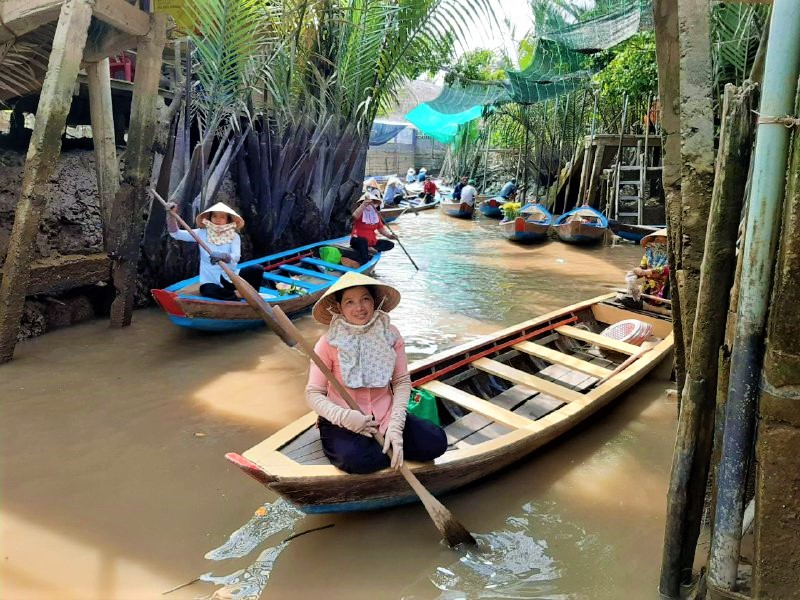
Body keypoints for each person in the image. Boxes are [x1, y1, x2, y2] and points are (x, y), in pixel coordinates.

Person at [305, 272, 448, 474]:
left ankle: (389, 443)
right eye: (349, 302)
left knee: (436, 443)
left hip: (387, 415)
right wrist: (344, 417)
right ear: (339, 308)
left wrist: (396, 426)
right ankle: (380, 448)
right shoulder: (328, 343)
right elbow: (313, 393)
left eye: (365, 299)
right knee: (355, 460)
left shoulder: (390, 334)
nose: (359, 308)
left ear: (374, 301)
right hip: (345, 420)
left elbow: (400, 381)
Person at [165, 201, 265, 300]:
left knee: (257, 269)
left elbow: (236, 257)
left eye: (222, 217)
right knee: (207, 289)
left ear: (227, 220)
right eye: (215, 216)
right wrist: (171, 215)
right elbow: (176, 234)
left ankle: (253, 295)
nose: (217, 220)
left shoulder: (234, 236)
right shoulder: (201, 233)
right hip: (211, 280)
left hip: (231, 278)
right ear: (210, 218)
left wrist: (223, 256)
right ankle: (236, 295)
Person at [620, 228, 670, 308]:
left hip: (666, 288)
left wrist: (647, 272)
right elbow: (642, 268)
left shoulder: (672, 255)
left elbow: (667, 269)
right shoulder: (649, 253)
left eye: (662, 240)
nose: (659, 243)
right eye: (657, 240)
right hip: (648, 286)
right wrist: (635, 273)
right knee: (624, 298)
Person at [350, 190, 396, 265]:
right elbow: (354, 216)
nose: (371, 204)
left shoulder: (375, 215)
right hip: (357, 240)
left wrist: (390, 236)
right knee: (363, 241)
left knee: (390, 244)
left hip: (371, 242)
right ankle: (365, 261)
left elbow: (381, 229)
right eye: (369, 203)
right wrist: (364, 205)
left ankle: (372, 249)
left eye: (374, 202)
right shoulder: (360, 212)